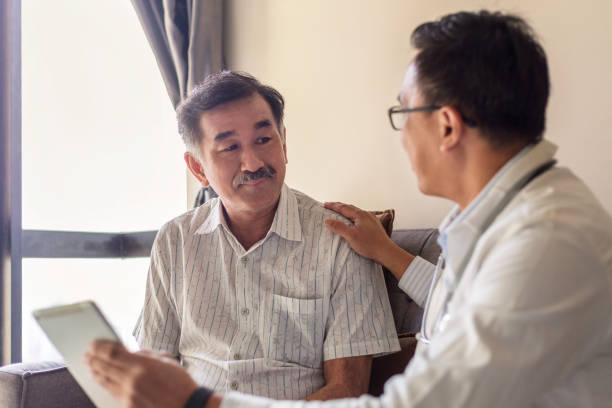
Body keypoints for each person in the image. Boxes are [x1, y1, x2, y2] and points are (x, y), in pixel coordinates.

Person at [86, 10, 612, 408]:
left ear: (447, 126)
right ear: (198, 168)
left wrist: (201, 403)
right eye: (227, 146)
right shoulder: (505, 225)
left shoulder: (546, 243)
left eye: (403, 112)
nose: (401, 133)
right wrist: (388, 253)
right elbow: (456, 306)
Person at [129, 71, 400, 400]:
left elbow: (346, 391)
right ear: (198, 168)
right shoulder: (175, 240)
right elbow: (155, 374)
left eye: (263, 140)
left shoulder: (342, 240)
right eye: (229, 147)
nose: (253, 162)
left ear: (283, 144)